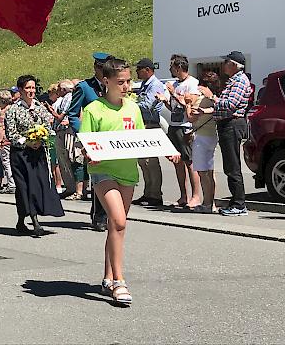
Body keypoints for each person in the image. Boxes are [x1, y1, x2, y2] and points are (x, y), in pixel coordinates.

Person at [79, 58, 148, 306]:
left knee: (115, 227)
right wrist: (90, 153)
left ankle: (108, 276)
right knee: (118, 221)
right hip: (103, 172)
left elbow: (141, 138)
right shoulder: (93, 110)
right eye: (121, 82)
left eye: (129, 81)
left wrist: (166, 150)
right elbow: (86, 144)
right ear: (106, 81)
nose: (127, 86)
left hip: (127, 171)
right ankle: (119, 281)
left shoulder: (133, 108)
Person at [5, 75, 64, 237]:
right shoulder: (13, 110)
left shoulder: (40, 107)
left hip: (38, 153)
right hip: (21, 155)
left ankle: (25, 219)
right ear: (20, 90)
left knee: (37, 185)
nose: (31, 91)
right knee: (24, 187)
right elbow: (11, 134)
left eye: (33, 88)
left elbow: (47, 124)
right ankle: (33, 221)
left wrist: (42, 138)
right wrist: (27, 141)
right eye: (27, 88)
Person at [199, 51, 252, 216]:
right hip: (228, 125)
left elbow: (230, 105)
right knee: (230, 165)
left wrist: (212, 97)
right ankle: (236, 202)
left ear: (234, 65)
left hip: (232, 125)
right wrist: (209, 110)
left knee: (232, 165)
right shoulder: (234, 80)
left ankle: (239, 204)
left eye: (227, 62)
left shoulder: (239, 81)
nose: (224, 65)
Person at [67, 52, 112, 231]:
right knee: (99, 177)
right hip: (94, 139)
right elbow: (73, 114)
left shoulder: (114, 85)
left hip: (112, 136)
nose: (105, 71)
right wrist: (85, 134)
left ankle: (112, 213)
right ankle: (99, 216)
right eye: (102, 68)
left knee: (114, 176)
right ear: (96, 68)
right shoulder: (85, 87)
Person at [157, 55, 201, 208]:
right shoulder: (175, 84)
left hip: (185, 127)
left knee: (190, 162)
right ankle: (183, 195)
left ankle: (196, 196)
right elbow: (174, 107)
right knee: (177, 162)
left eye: (172, 67)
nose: (170, 70)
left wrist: (173, 92)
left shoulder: (192, 83)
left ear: (179, 68)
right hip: (174, 124)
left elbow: (190, 104)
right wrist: (165, 100)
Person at [186, 72, 221, 214]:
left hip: (201, 137)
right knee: (210, 171)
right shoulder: (215, 99)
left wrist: (188, 104)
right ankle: (211, 203)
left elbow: (190, 118)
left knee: (202, 172)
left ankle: (206, 204)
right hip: (212, 135)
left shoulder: (202, 100)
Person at [133, 58, 166, 206]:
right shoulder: (144, 85)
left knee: (151, 162)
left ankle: (156, 194)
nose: (137, 72)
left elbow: (148, 105)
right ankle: (148, 192)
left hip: (151, 125)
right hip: (142, 124)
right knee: (143, 162)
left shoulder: (155, 85)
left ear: (147, 69)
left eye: (139, 69)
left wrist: (131, 104)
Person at [0, 90, 15, 194]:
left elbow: (1, 127)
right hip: (13, 140)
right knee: (13, 162)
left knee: (6, 162)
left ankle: (11, 184)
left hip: (6, 140)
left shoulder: (3, 112)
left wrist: (0, 140)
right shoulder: (13, 109)